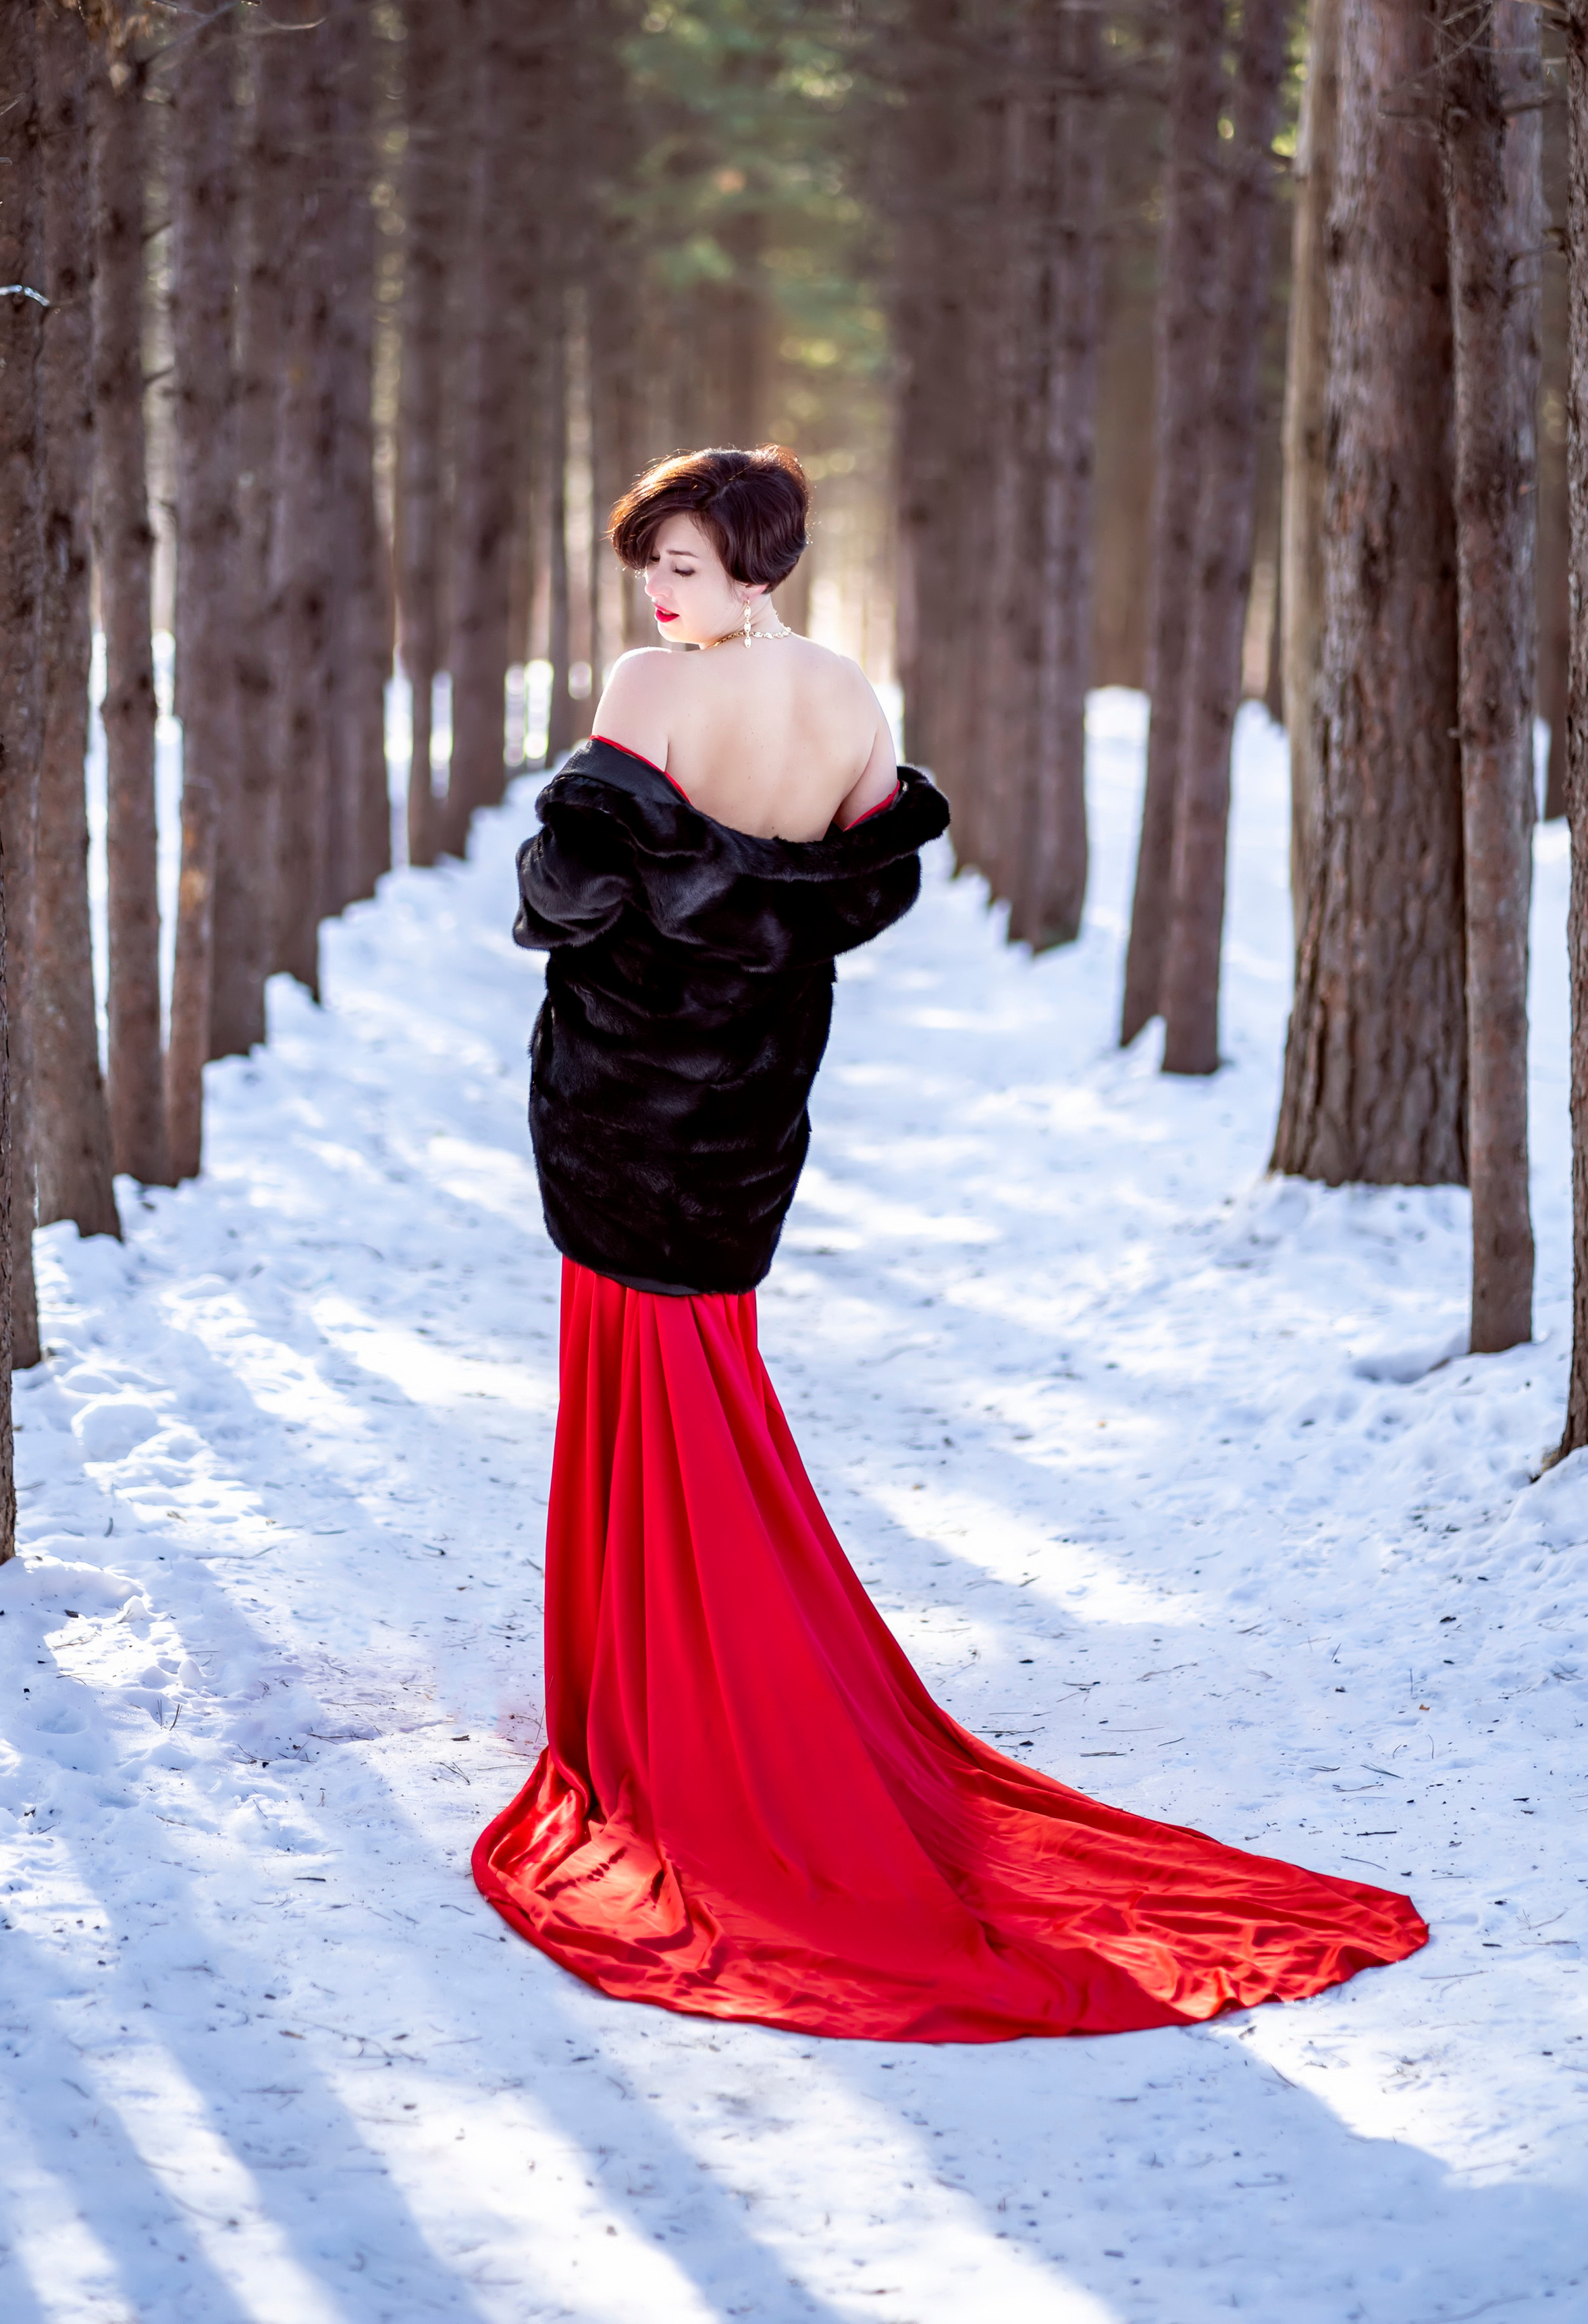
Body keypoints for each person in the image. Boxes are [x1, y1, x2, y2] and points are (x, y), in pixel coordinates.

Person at [473, 444, 1427, 2043]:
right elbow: (867, 881)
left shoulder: (648, 684)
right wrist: (755, 917)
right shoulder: (847, 701)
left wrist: (616, 888)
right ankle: (682, 1671)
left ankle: (658, 1709)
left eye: (691, 565)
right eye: (653, 562)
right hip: (761, 1082)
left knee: (634, 1366)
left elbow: (565, 891)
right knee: (701, 1360)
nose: (661, 590)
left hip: (631, 1086)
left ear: (756, 569)